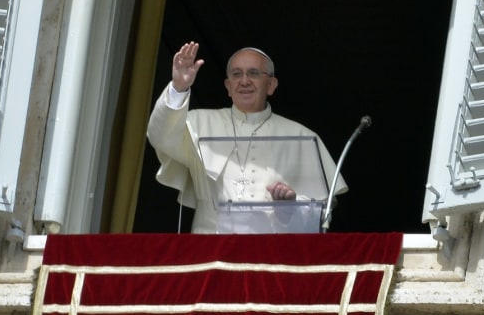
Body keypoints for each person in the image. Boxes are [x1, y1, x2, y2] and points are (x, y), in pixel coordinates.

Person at [147, 41, 348, 233]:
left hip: (270, 254)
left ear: (271, 85)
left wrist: (290, 207)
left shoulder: (301, 136)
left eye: (253, 73)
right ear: (228, 86)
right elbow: (159, 136)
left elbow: (320, 215)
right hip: (209, 249)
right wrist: (178, 87)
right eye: (236, 74)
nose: (244, 81)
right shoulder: (197, 123)